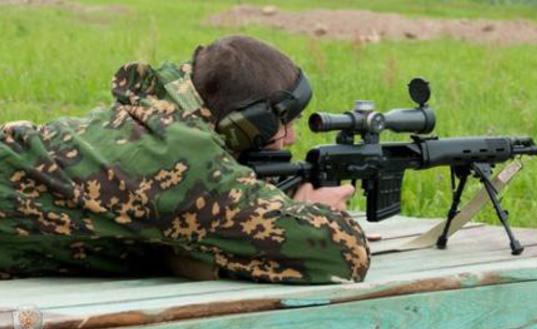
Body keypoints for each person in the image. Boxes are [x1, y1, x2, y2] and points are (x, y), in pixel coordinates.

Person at [0, 35, 370, 284]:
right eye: (283, 123)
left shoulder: (158, 112)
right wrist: (315, 208)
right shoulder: (187, 162)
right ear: (245, 124)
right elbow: (342, 254)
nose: (290, 137)